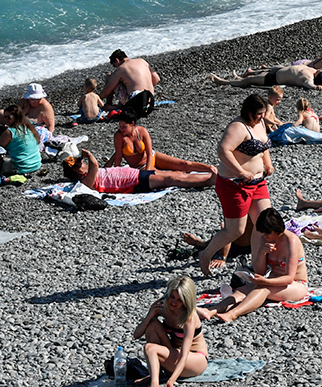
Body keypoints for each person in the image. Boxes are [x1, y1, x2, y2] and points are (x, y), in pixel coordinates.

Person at [199, 95, 275, 275]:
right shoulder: (238, 127)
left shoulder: (261, 124)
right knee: (235, 230)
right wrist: (241, 172)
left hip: (258, 182)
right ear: (249, 112)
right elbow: (223, 150)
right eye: (258, 114)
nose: (262, 117)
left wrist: (268, 164)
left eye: (263, 113)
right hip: (235, 184)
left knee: (263, 223)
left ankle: (257, 263)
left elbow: (263, 146)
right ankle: (206, 254)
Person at [196, 208, 307, 324]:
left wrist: (265, 281)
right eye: (263, 232)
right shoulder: (264, 239)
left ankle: (232, 314)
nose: (265, 235)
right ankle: (210, 311)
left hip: (296, 284)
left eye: (267, 232)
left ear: (276, 228)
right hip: (272, 280)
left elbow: (289, 278)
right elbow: (260, 270)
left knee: (263, 289)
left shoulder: (291, 241)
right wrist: (262, 253)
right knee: (241, 291)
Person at [133, 276, 208, 387]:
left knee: (150, 348)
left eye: (179, 300)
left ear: (186, 300)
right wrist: (150, 315)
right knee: (152, 324)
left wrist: (172, 380)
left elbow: (184, 354)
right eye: (172, 297)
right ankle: (156, 375)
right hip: (174, 352)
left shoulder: (189, 317)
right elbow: (136, 335)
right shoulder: (163, 308)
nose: (173, 302)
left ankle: (154, 384)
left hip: (194, 359)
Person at [64, 148, 215, 192]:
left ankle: (210, 175)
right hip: (133, 182)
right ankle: (210, 180)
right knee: (173, 180)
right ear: (76, 171)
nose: (82, 163)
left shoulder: (88, 175)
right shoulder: (85, 181)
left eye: (81, 161)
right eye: (78, 164)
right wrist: (89, 153)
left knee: (176, 174)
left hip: (134, 174)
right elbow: (95, 166)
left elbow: (103, 169)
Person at [106, 113, 216, 174]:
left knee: (184, 164)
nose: (121, 129)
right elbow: (119, 157)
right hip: (140, 166)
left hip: (152, 157)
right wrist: (117, 173)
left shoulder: (141, 131)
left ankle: (212, 169)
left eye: (124, 127)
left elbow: (149, 152)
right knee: (172, 175)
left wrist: (148, 170)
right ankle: (209, 180)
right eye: (120, 127)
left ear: (132, 124)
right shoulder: (119, 136)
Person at [211, 63, 322, 88]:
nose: (318, 69)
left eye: (320, 72)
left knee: (249, 81)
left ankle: (224, 82)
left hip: (273, 79)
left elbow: (308, 85)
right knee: (260, 71)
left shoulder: (309, 78)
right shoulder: (312, 70)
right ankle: (236, 76)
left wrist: (315, 87)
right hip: (280, 69)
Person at [1, 105, 42, 178]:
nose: (6, 119)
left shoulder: (10, 132)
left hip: (21, 168)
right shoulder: (29, 127)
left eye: (9, 117)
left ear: (16, 117)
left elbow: (1, 146)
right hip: (36, 164)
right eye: (5, 117)